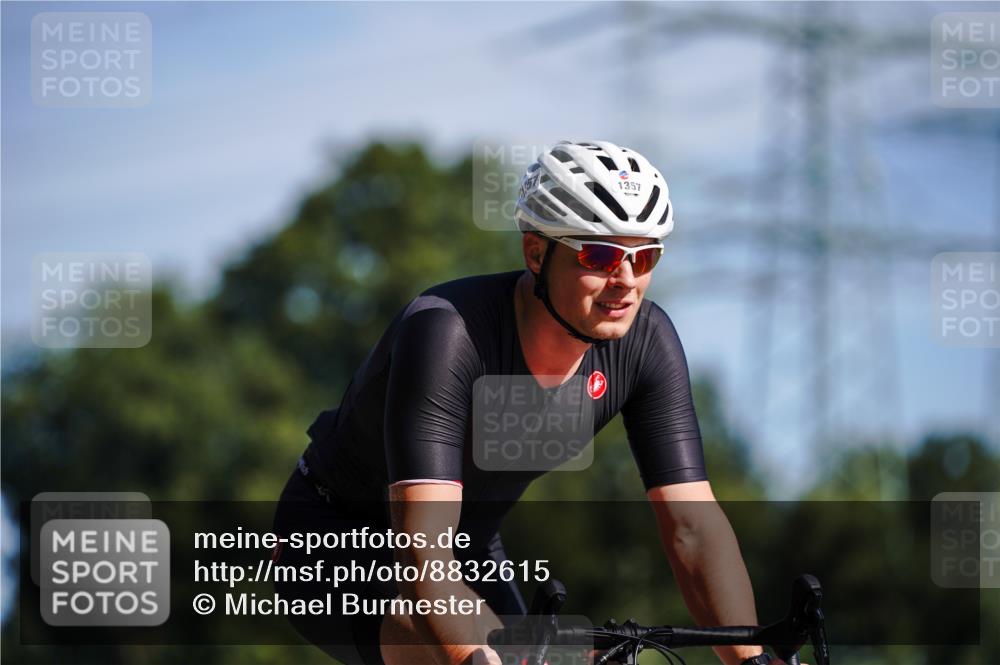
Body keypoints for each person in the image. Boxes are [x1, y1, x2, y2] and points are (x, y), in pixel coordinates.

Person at [273, 140, 777, 665]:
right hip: (337, 546)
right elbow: (422, 558)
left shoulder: (646, 341)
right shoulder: (447, 333)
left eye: (644, 255)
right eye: (599, 255)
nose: (625, 282)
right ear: (536, 252)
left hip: (469, 552)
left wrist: (751, 657)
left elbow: (692, 527)